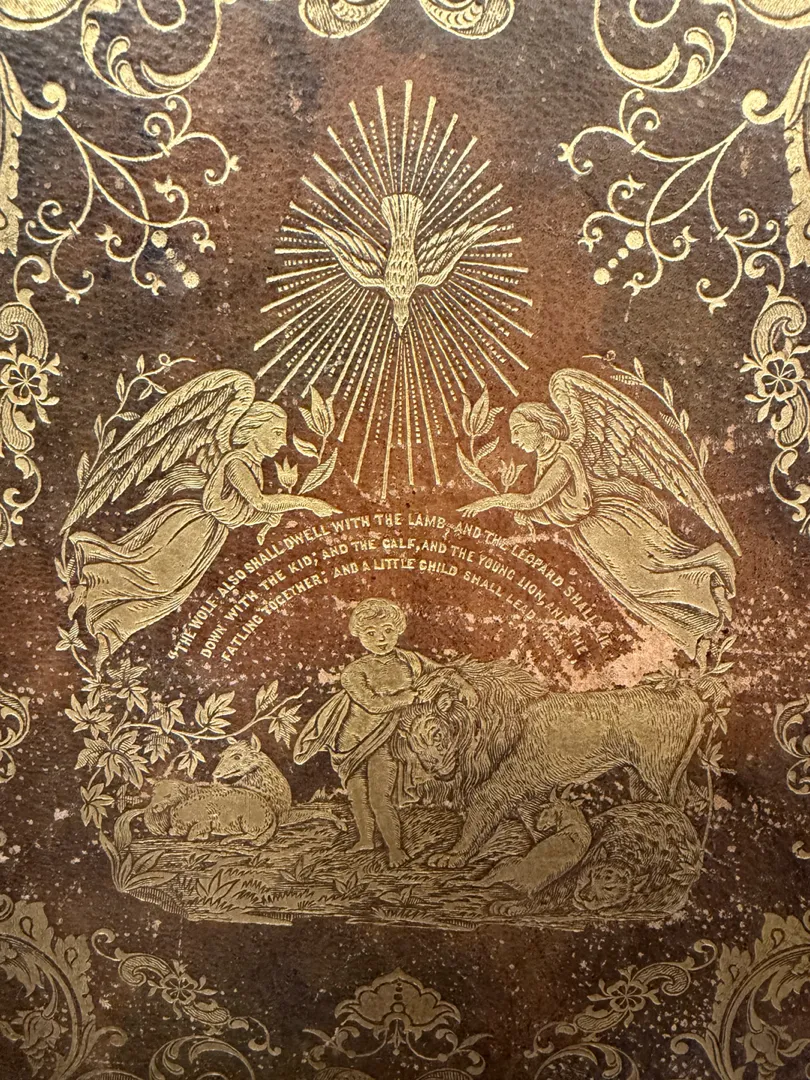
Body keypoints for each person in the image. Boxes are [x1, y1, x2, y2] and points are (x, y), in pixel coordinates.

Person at [461, 401, 736, 660]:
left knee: (644, 581)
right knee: (636, 590)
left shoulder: (562, 457)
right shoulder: (546, 458)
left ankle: (710, 585)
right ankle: (703, 627)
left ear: (540, 425)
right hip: (589, 533)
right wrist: (530, 514)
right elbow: (556, 505)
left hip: (607, 525)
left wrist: (491, 502)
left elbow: (536, 499)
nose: (515, 439)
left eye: (519, 430)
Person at [68, 401, 337, 665]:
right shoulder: (237, 462)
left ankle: (109, 628)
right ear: (254, 430)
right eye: (276, 432)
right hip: (194, 527)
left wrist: (264, 519)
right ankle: (92, 584)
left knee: (168, 594)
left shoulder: (253, 466)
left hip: (210, 535)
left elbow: (241, 510)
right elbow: (259, 501)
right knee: (154, 578)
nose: (281, 442)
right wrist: (307, 503)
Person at [294, 598, 438, 867]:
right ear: (359, 636)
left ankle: (395, 849)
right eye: (371, 633)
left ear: (399, 629)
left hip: (383, 742)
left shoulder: (411, 661)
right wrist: (408, 697)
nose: (380, 639)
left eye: (387, 630)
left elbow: (443, 674)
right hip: (349, 743)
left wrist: (459, 687)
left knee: (380, 797)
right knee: (358, 795)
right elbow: (372, 704)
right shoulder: (354, 672)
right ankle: (366, 840)